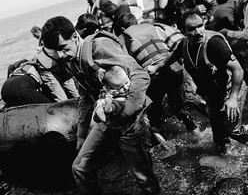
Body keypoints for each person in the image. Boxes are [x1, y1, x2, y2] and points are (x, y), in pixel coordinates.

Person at [41, 16, 160, 195]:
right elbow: (85, 99)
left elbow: (140, 75)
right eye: (55, 52)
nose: (60, 56)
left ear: (74, 37)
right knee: (80, 167)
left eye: (63, 48)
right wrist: (81, 136)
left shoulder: (100, 45)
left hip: (130, 120)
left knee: (144, 179)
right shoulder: (72, 60)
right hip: (107, 118)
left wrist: (127, 110)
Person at [149, 13, 248, 153]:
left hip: (231, 90)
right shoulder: (184, 44)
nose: (198, 32)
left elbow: (238, 70)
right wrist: (157, 67)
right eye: (192, 28)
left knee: (233, 130)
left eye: (200, 26)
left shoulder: (214, 43)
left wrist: (233, 98)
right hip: (212, 94)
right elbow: (173, 55)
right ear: (183, 31)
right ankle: (225, 159)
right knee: (218, 136)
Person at [117, 13, 197, 134]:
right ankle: (195, 131)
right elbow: (176, 41)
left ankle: (163, 142)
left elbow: (125, 63)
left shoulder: (123, 37)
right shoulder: (153, 26)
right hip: (174, 67)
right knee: (179, 107)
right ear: (137, 22)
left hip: (154, 74)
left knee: (153, 111)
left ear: (122, 28)